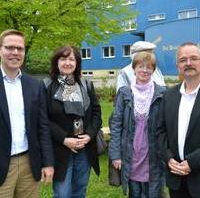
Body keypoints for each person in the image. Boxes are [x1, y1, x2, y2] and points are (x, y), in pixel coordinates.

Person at [0, 29, 54, 198]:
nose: (15, 52)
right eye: (9, 47)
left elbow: (43, 126)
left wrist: (48, 163)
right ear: (0, 50)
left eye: (20, 48)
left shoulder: (35, 85)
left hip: (28, 164)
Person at [45, 45, 102, 198]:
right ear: (56, 62)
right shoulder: (47, 86)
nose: (67, 63)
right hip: (60, 149)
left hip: (84, 149)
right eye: (63, 59)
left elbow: (97, 114)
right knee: (63, 194)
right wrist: (64, 139)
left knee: (79, 191)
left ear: (77, 63)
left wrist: (89, 135)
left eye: (72, 59)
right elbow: (43, 120)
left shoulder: (85, 85)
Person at [109, 51, 165, 197]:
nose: (144, 70)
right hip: (130, 154)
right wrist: (115, 155)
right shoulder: (124, 93)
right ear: (134, 69)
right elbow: (115, 124)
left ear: (153, 70)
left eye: (149, 67)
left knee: (153, 192)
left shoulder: (162, 93)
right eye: (140, 66)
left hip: (153, 154)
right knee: (134, 193)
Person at [157, 42, 200, 198]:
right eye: (183, 60)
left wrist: (192, 163)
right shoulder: (169, 96)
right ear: (178, 66)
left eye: (194, 58)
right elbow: (160, 131)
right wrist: (168, 158)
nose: (188, 63)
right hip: (176, 178)